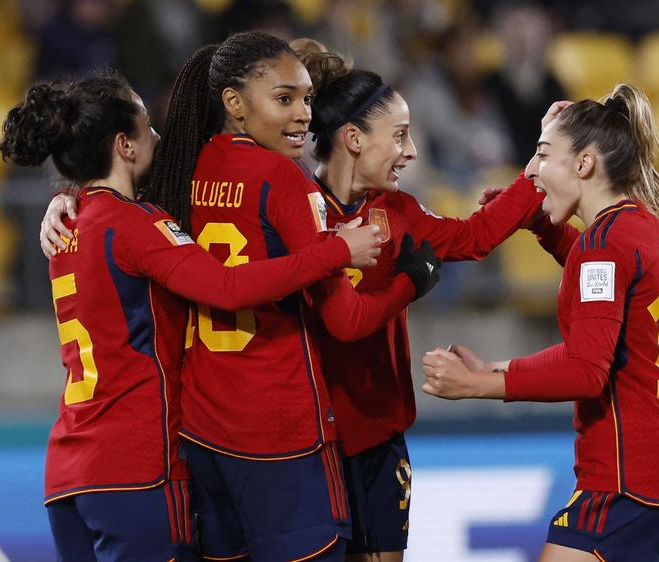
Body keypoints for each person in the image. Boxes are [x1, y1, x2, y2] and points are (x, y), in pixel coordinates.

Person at [40, 31, 442, 561]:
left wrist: (67, 198)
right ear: (234, 103)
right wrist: (385, 269)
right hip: (261, 433)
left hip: (171, 442)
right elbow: (319, 312)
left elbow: (110, 194)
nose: (303, 113)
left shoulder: (163, 183)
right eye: (285, 99)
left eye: (305, 99)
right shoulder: (279, 177)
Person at [420, 84, 659, 562]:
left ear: (584, 164)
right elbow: (605, 330)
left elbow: (585, 368)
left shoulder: (606, 242)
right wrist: (494, 367)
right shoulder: (644, 230)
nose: (530, 171)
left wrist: (480, 386)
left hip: (626, 476)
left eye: (541, 154)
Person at [292, 38, 546, 562]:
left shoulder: (398, 210)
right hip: (314, 444)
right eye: (401, 136)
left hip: (381, 436)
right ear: (355, 139)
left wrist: (537, 168)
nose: (410, 152)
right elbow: (345, 322)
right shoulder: (294, 210)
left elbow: (473, 237)